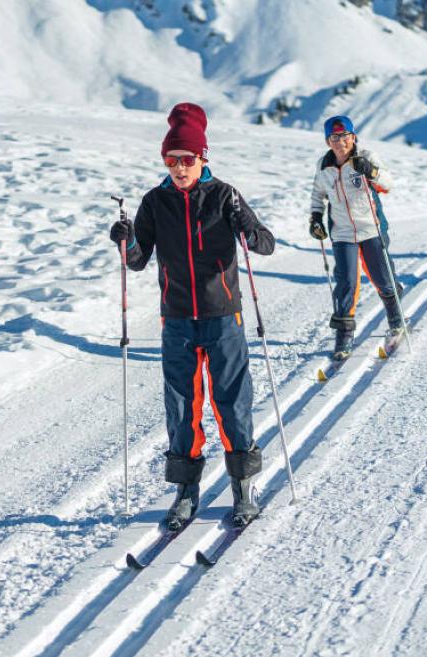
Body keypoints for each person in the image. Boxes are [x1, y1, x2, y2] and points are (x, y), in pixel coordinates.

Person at [108, 103, 275, 530]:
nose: (179, 167)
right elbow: (138, 260)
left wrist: (249, 229)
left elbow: (264, 244)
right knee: (181, 406)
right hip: (177, 317)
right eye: (171, 160)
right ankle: (186, 491)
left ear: (203, 157)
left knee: (232, 401)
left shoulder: (224, 195)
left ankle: (242, 488)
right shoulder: (155, 201)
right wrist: (125, 242)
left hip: (223, 316)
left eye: (186, 159)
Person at [309, 115, 405, 360]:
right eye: (334, 137)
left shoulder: (366, 157)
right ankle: (343, 339)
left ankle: (396, 319)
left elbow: (388, 184)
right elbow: (318, 194)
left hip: (370, 228)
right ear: (328, 141)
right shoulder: (324, 166)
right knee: (346, 284)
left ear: (353, 137)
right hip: (342, 233)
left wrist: (371, 171)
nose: (340, 142)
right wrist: (316, 218)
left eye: (344, 136)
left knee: (382, 277)